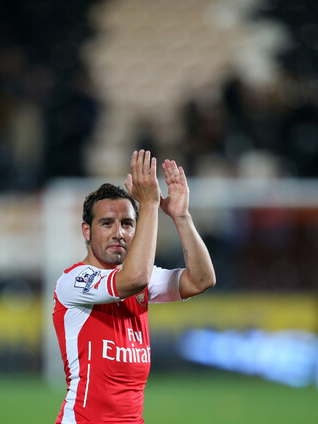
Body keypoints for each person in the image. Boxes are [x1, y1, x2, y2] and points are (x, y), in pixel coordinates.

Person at [52, 149, 216, 424]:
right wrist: (150, 204)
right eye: (107, 223)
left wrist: (181, 217)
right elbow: (134, 279)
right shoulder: (75, 281)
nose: (118, 233)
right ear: (87, 231)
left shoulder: (139, 278)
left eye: (127, 224)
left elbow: (201, 279)